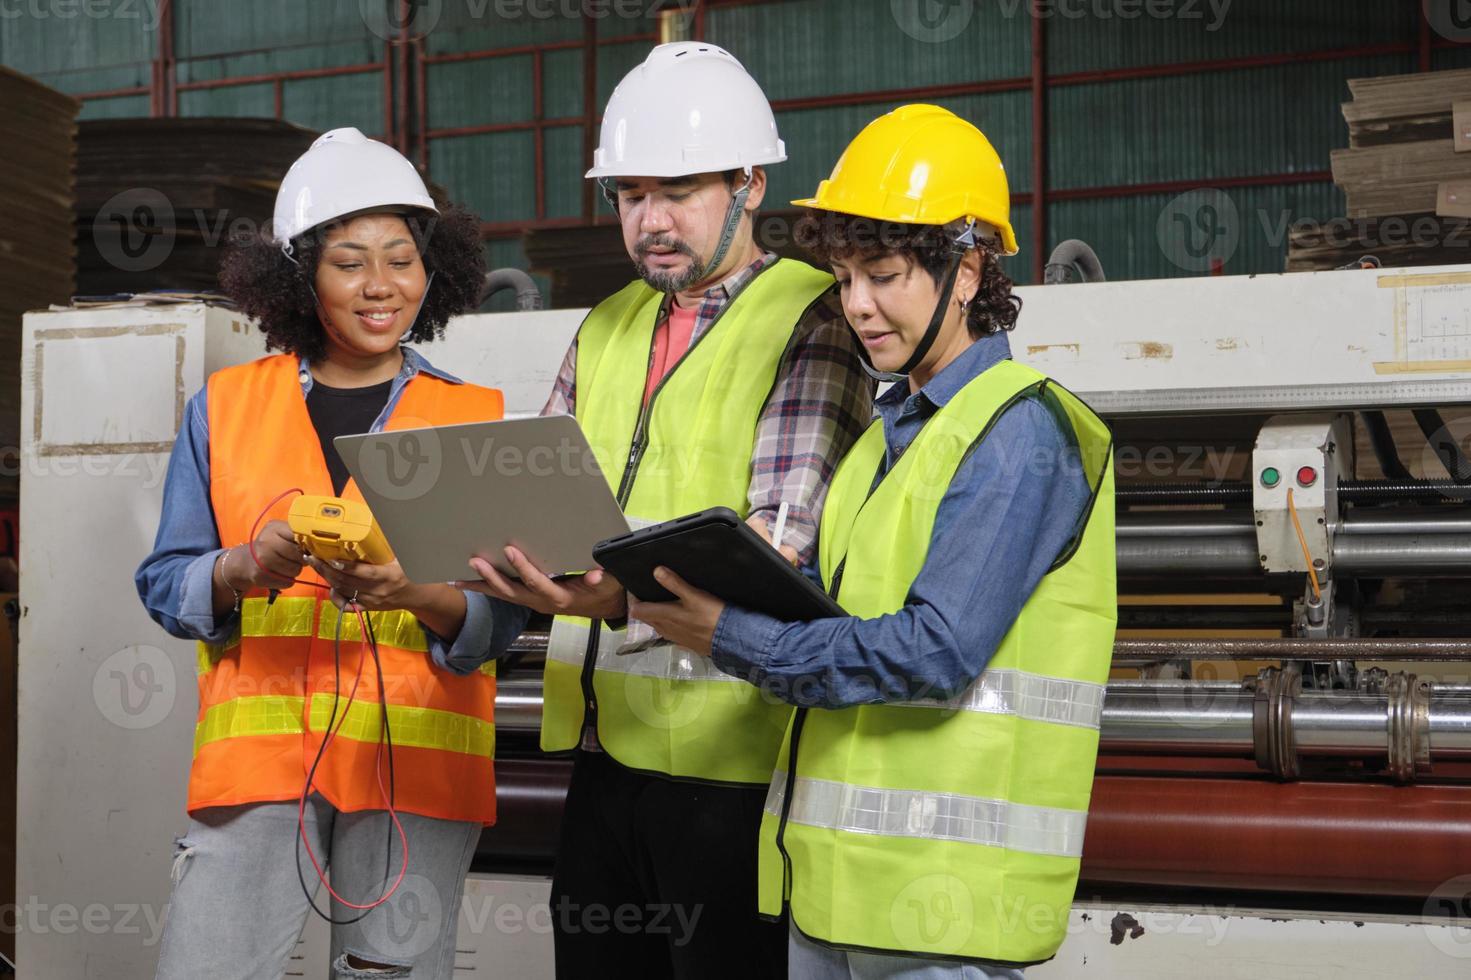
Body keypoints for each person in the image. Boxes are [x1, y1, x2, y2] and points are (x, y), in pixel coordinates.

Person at [632, 104, 1117, 979]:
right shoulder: (881, 438)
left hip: (944, 908)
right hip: (830, 892)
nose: (856, 305)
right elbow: (826, 608)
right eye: (844, 276)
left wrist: (729, 634)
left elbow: (936, 651)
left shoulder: (1020, 432)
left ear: (967, 271)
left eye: (884, 275)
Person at [459, 42, 873, 979]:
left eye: (677, 191)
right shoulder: (606, 324)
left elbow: (776, 546)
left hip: (737, 767)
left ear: (749, 184)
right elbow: (536, 502)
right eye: (628, 194)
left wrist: (608, 597)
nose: (650, 220)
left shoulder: (813, 317)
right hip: (606, 756)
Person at [135, 128, 506, 980]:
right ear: (300, 277)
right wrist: (240, 568)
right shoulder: (224, 408)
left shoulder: (476, 418)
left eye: (401, 258)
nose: (381, 286)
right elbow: (165, 582)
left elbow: (501, 617)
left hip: (411, 773)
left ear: (433, 270)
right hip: (261, 769)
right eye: (349, 261)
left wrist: (414, 593)